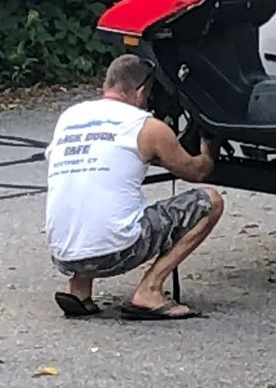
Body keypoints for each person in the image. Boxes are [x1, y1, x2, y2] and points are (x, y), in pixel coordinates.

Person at [44, 54, 225, 320]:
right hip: (116, 251)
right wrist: (209, 147)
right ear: (141, 93)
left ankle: (79, 291)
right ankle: (148, 291)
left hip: (62, 254)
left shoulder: (70, 116)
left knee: (87, 188)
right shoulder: (147, 127)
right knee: (210, 201)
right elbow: (196, 171)